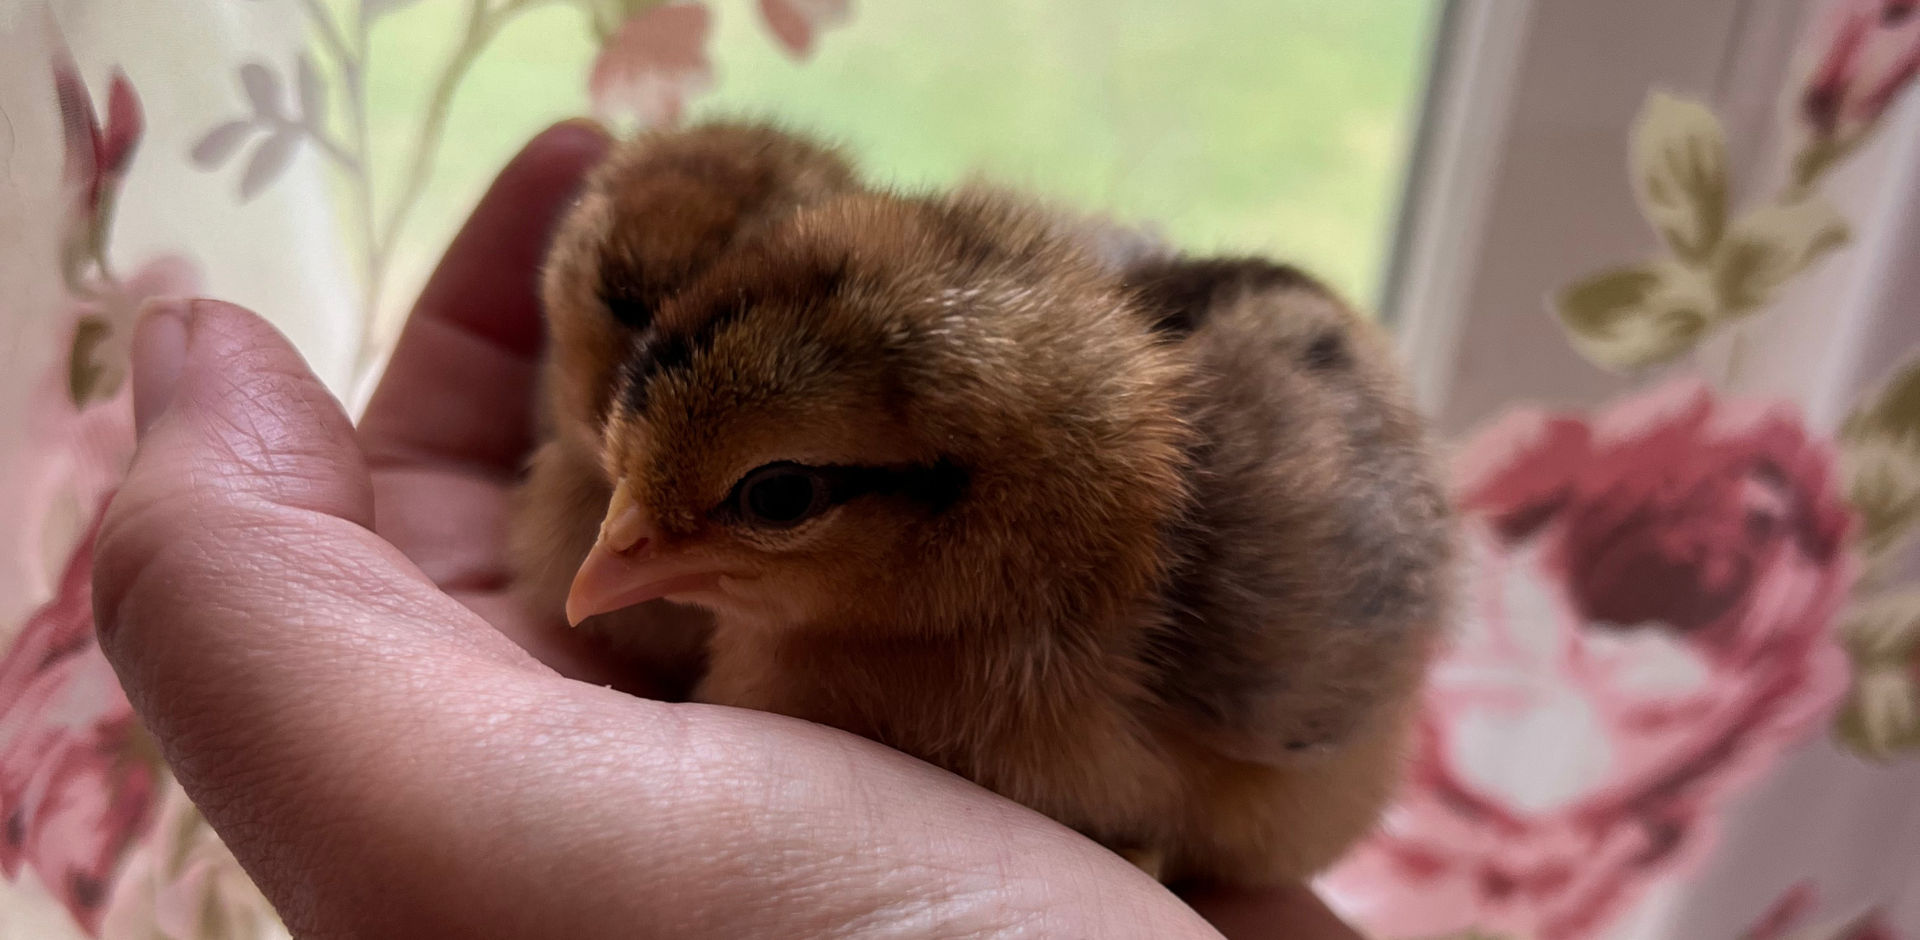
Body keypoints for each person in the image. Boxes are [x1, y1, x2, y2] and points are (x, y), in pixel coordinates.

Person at [91, 120, 1366, 939]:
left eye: (774, 499)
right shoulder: (793, 567)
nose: (607, 554)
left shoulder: (1224, 570)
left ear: (974, 498)